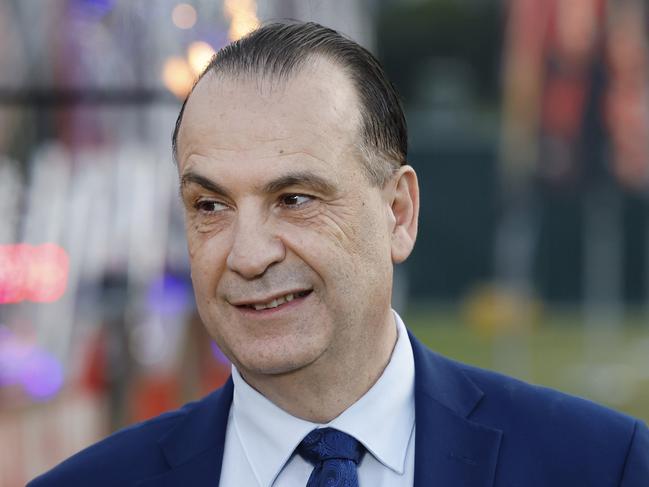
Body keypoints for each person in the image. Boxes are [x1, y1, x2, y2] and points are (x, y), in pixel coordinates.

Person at [30, 21, 648, 487]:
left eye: (294, 199)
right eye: (210, 206)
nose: (247, 256)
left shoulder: (602, 466)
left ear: (398, 213)